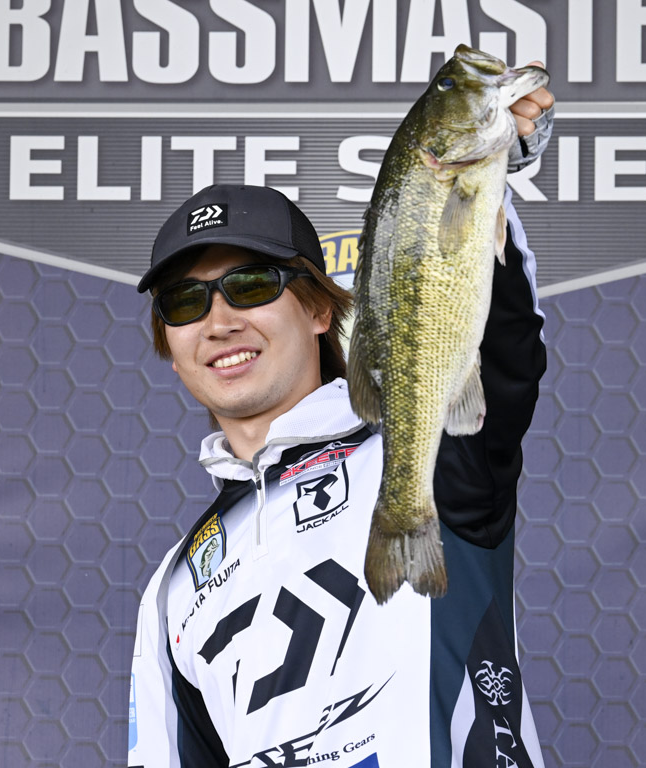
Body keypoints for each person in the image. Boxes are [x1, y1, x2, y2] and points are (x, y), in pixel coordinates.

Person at [128, 80, 555, 768]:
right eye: (184, 302)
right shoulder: (171, 590)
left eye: (252, 284)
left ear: (320, 310)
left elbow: (502, 353)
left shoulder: (420, 452)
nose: (219, 321)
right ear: (170, 348)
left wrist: (486, 177)